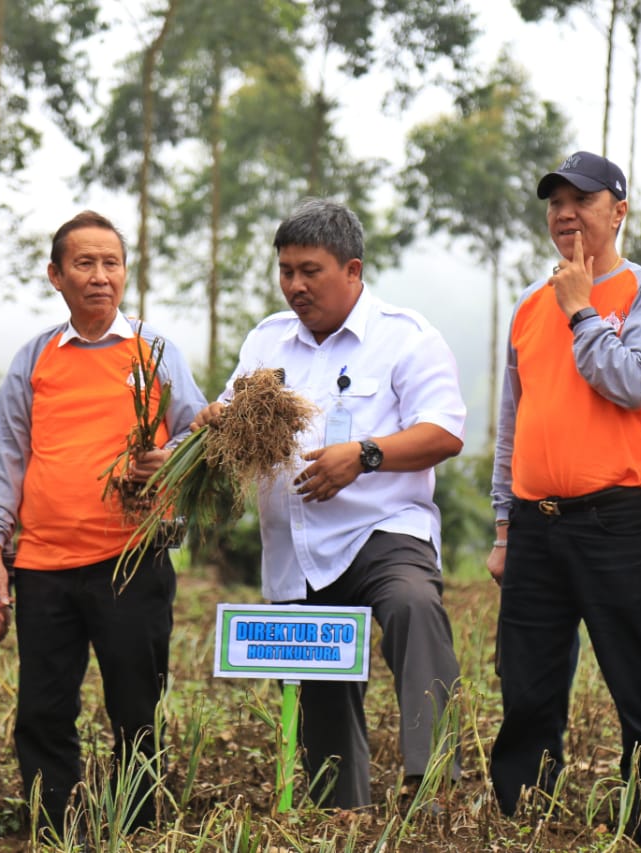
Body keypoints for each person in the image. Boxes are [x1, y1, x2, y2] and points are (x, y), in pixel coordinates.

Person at [192, 198, 465, 810]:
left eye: (309, 270)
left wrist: (363, 455)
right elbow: (231, 418)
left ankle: (434, 783)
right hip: (296, 547)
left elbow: (444, 432)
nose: (294, 285)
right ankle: (341, 816)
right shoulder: (267, 343)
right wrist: (215, 423)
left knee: (414, 605)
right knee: (323, 703)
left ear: (353, 269)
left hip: (381, 531)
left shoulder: (405, 337)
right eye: (286, 270)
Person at [0, 210, 205, 831]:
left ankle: (135, 829)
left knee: (135, 708)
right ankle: (55, 828)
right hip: (45, 566)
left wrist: (169, 460)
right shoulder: (35, 358)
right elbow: (5, 460)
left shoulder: (154, 351)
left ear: (125, 273)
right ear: (56, 275)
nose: (100, 276)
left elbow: (200, 434)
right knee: (43, 711)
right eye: (85, 263)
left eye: (112, 263)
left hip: (133, 559)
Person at [488, 151, 641, 852]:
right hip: (536, 529)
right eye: (555, 202)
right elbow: (513, 421)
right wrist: (503, 525)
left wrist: (582, 309)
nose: (566, 214)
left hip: (618, 521)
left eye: (582, 199)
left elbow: (632, 382)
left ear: (619, 210)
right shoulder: (525, 307)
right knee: (527, 689)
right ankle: (526, 824)